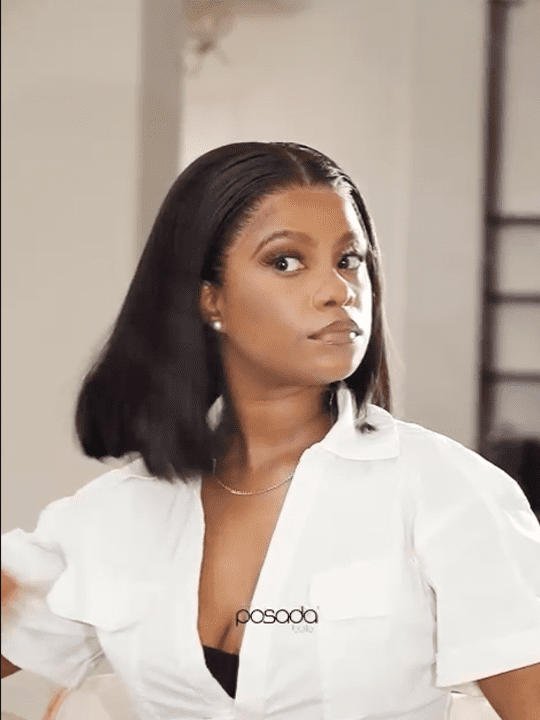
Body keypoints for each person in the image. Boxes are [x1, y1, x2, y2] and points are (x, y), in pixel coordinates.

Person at [1, 141, 539, 720]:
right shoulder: (115, 516)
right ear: (210, 300)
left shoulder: (447, 494)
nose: (339, 290)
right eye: (286, 262)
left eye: (349, 259)